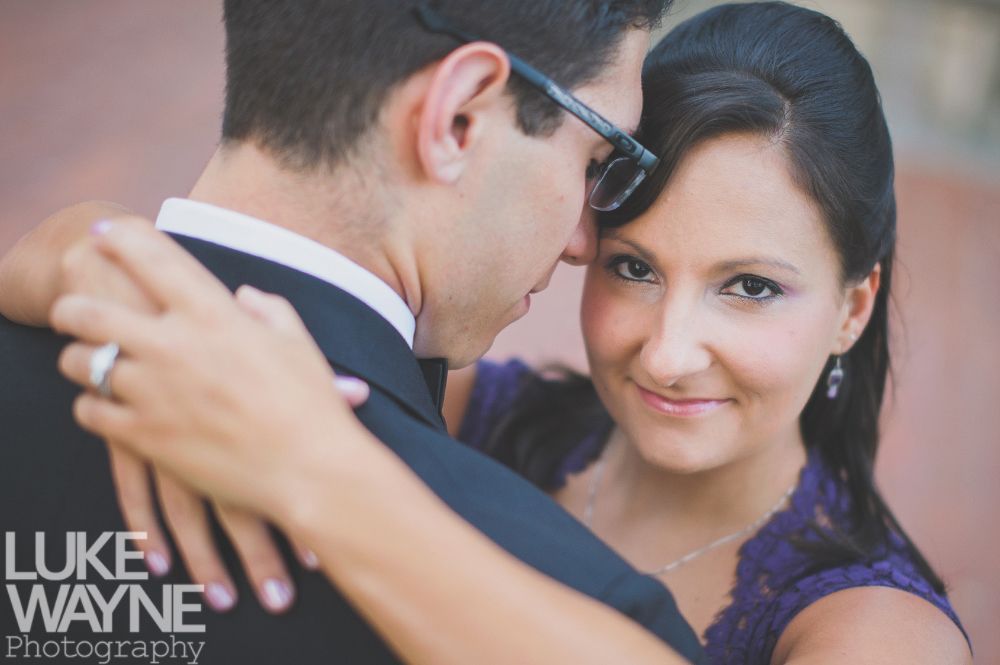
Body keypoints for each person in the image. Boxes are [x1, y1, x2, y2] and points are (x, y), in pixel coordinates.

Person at [0, 2, 973, 664]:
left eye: (751, 286)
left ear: (853, 305)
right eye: (632, 265)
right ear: (457, 118)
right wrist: (80, 250)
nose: (670, 349)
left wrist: (313, 465)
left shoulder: (875, 626)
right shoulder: (476, 407)